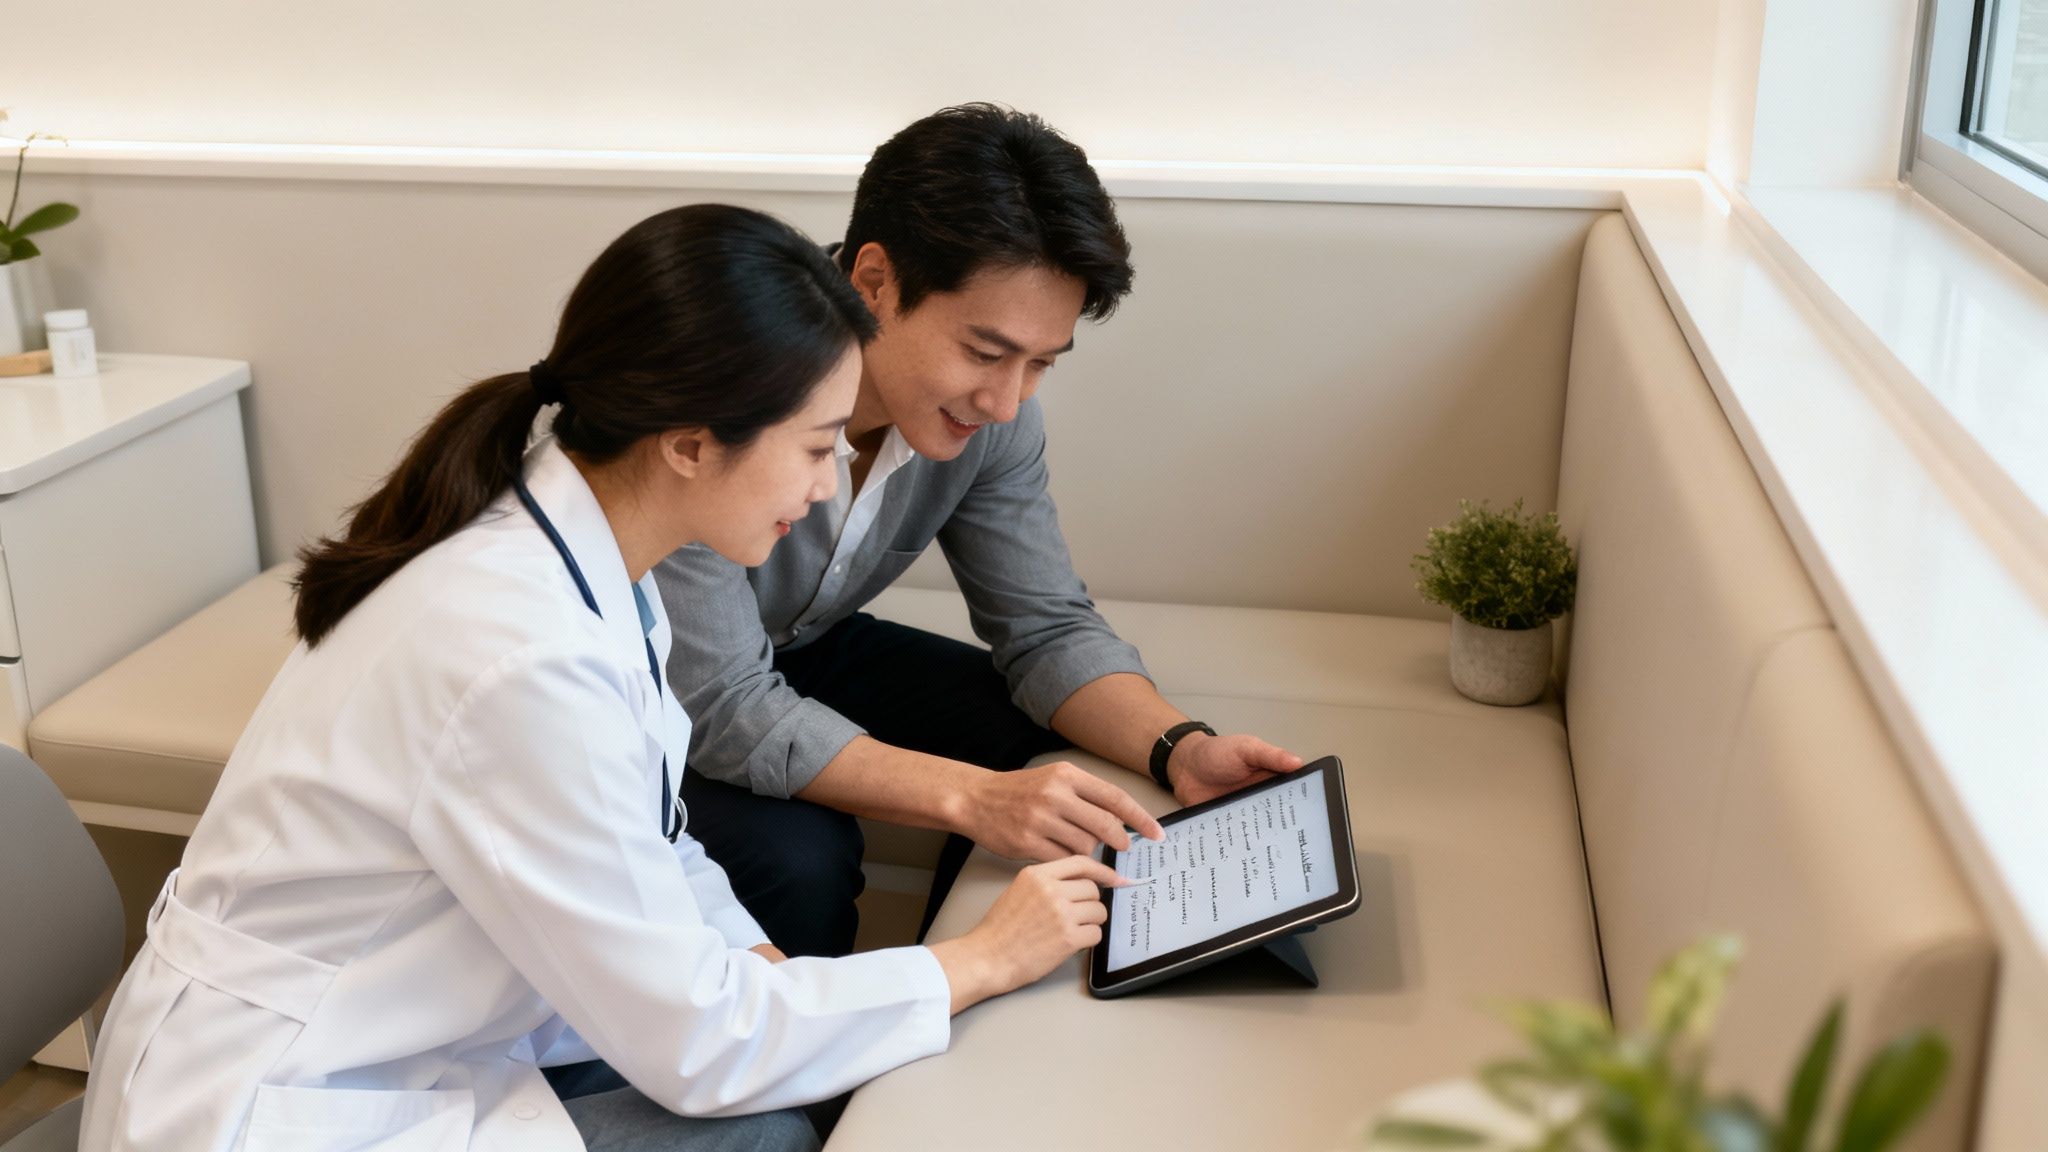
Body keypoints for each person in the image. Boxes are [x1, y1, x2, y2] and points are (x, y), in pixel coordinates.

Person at [78, 203, 1125, 1152]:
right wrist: (981, 958)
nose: (825, 489)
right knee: (761, 1133)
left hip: (421, 1024)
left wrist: (764, 968)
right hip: (276, 1101)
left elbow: (656, 839)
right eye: (813, 450)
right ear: (688, 444)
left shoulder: (579, 555)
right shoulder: (518, 654)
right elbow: (702, 1046)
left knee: (800, 1068)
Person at [658, 104, 1305, 960]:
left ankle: (961, 975)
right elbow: (726, 707)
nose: (1006, 401)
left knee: (1039, 746)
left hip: (798, 644)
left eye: (1041, 362)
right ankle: (818, 1078)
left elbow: (1045, 626)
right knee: (803, 859)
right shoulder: (721, 384)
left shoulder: (994, 420)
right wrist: (974, 797)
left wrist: (1180, 748)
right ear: (874, 280)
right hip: (656, 695)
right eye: (985, 351)